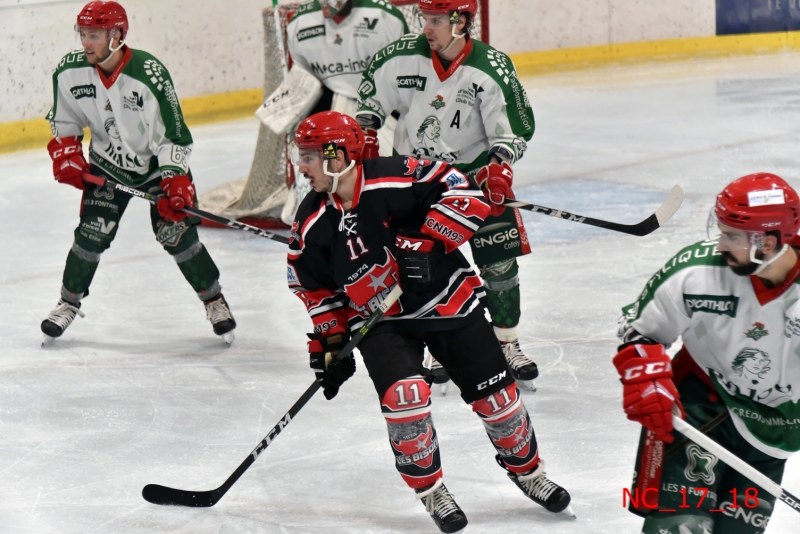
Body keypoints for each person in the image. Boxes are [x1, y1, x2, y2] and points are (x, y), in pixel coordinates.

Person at [286, 111, 573, 533]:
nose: (302, 167)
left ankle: (529, 473)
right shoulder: (311, 220)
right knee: (405, 400)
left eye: (310, 156)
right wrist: (330, 342)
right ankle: (432, 490)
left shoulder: (397, 176)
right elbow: (313, 286)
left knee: (498, 400)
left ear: (338, 155)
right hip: (381, 319)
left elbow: (461, 189)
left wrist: (428, 240)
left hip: (447, 301)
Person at [355, 0, 538, 389]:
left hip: (472, 179)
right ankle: (430, 345)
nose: (427, 28)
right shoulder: (400, 56)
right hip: (415, 182)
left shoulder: (491, 68)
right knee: (417, 266)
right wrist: (367, 135)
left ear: (461, 22)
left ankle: (507, 344)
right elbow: (370, 100)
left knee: (499, 263)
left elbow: (513, 130)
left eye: (436, 20)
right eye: (425, 19)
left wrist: (500, 165)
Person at [41, 1, 236, 345]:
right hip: (107, 166)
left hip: (157, 171)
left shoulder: (149, 74)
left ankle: (214, 300)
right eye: (83, 34)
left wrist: (174, 181)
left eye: (95, 35)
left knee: (177, 236)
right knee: (90, 235)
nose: (87, 42)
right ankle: (68, 303)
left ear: (117, 35)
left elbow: (173, 135)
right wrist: (67, 151)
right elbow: (65, 120)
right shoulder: (70, 71)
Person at [614, 173, 800, 533]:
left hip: (776, 428)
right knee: (679, 527)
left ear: (769, 241)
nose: (721, 245)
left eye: (733, 236)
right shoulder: (696, 273)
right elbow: (638, 330)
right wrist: (646, 378)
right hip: (700, 409)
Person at [281, 0, 409, 222]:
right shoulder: (299, 23)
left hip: (380, 110)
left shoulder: (385, 18)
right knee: (310, 145)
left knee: (393, 179)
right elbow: (302, 84)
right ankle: (316, 200)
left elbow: (405, 82)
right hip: (328, 113)